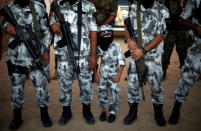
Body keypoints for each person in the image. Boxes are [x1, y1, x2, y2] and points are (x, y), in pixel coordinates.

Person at [1, 0, 52, 129]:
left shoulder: (39, 8)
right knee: (16, 90)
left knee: (41, 88)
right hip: (17, 58)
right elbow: (3, 22)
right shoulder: (11, 8)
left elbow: (46, 31)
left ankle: (44, 115)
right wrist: (6, 26)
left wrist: (46, 50)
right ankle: (17, 118)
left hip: (35, 56)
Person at [49, 0, 97, 125]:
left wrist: (93, 55)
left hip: (83, 53)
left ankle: (87, 111)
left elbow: (93, 30)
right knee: (64, 84)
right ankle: (66, 112)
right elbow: (51, 21)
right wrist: (53, 25)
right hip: (64, 53)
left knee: (86, 84)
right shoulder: (57, 5)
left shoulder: (88, 6)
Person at [123, 0, 169, 127]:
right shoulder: (134, 8)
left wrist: (143, 51)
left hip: (153, 57)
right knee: (132, 84)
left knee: (156, 86)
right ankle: (132, 112)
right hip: (135, 56)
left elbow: (162, 35)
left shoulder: (162, 10)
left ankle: (158, 113)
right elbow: (127, 28)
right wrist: (129, 41)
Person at [168, 0, 201, 125]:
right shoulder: (195, 1)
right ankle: (176, 108)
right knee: (187, 78)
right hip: (198, 48)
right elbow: (182, 20)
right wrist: (196, 27)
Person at [94, 25, 125, 123]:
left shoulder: (116, 46)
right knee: (102, 92)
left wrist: (119, 75)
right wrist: (95, 75)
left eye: (109, 35)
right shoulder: (99, 47)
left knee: (114, 94)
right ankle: (103, 111)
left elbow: (122, 62)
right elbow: (95, 62)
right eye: (104, 36)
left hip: (114, 76)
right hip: (102, 76)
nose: (107, 37)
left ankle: (112, 112)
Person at [161, 0, 189, 80]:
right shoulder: (165, 2)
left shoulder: (184, 1)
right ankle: (163, 71)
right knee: (166, 53)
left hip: (181, 30)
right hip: (169, 31)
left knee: (183, 53)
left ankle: (184, 72)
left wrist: (183, 6)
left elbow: (189, 14)